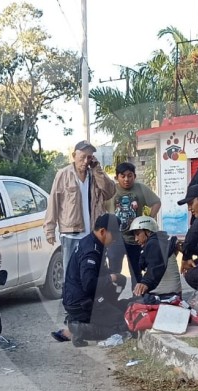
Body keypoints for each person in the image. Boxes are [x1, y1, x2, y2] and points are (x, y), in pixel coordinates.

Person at [50, 214, 128, 347]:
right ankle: (80, 330)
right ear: (103, 231)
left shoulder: (94, 242)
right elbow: (89, 284)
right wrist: (110, 278)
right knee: (121, 323)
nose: (115, 239)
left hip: (80, 299)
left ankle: (77, 323)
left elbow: (99, 273)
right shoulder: (91, 250)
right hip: (81, 302)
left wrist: (114, 277)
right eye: (113, 235)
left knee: (120, 284)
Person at [44, 140, 117, 274]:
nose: (85, 161)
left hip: (92, 234)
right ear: (74, 155)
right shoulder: (63, 174)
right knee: (72, 274)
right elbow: (53, 201)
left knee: (93, 272)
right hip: (71, 234)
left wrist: (97, 170)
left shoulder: (94, 175)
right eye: (82, 157)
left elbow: (110, 191)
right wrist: (50, 228)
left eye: (89, 157)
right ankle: (71, 296)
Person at [104, 162, 162, 284]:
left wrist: (147, 221)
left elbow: (156, 202)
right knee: (114, 272)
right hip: (115, 239)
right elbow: (99, 204)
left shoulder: (141, 188)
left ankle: (137, 299)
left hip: (135, 239)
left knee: (136, 271)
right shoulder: (111, 191)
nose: (126, 179)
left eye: (130, 176)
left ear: (134, 176)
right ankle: (112, 298)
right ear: (116, 177)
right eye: (123, 176)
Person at [127, 216, 183, 301]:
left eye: (138, 234)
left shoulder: (154, 244)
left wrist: (145, 283)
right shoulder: (160, 241)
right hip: (171, 294)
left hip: (165, 296)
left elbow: (155, 266)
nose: (136, 239)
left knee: (127, 306)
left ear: (148, 231)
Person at [178, 185, 198, 291]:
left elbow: (191, 237)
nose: (189, 208)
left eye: (191, 203)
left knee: (189, 273)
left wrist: (186, 258)